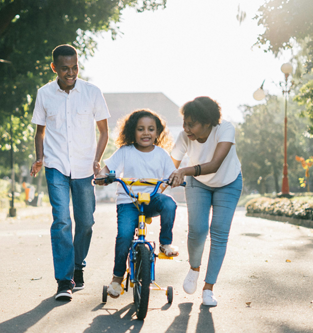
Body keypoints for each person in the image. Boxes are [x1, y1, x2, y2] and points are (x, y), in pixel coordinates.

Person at [30, 44, 110, 301]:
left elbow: (104, 131)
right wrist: (40, 158)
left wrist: (97, 160)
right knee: (62, 220)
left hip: (85, 167)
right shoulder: (44, 94)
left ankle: (78, 266)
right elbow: (40, 131)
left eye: (74, 67)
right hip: (55, 166)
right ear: (54, 68)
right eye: (65, 68)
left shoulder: (92, 92)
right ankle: (64, 280)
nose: (71, 72)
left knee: (86, 222)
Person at [168, 96, 242, 307]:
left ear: (208, 122)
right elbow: (170, 166)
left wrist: (184, 170)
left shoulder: (224, 129)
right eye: (185, 123)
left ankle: (208, 288)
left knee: (219, 232)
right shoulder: (185, 137)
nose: (186, 128)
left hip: (228, 182)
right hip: (198, 183)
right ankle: (194, 268)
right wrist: (157, 189)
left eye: (191, 124)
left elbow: (215, 164)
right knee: (197, 229)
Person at [96, 109, 178, 298]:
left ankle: (165, 243)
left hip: (151, 200)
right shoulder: (125, 151)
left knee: (170, 204)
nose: (146, 133)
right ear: (133, 131)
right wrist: (102, 176)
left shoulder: (162, 154)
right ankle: (117, 278)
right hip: (128, 201)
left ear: (158, 133)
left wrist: (175, 179)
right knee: (124, 236)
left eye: (151, 129)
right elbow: (107, 169)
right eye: (141, 129)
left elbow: (171, 175)